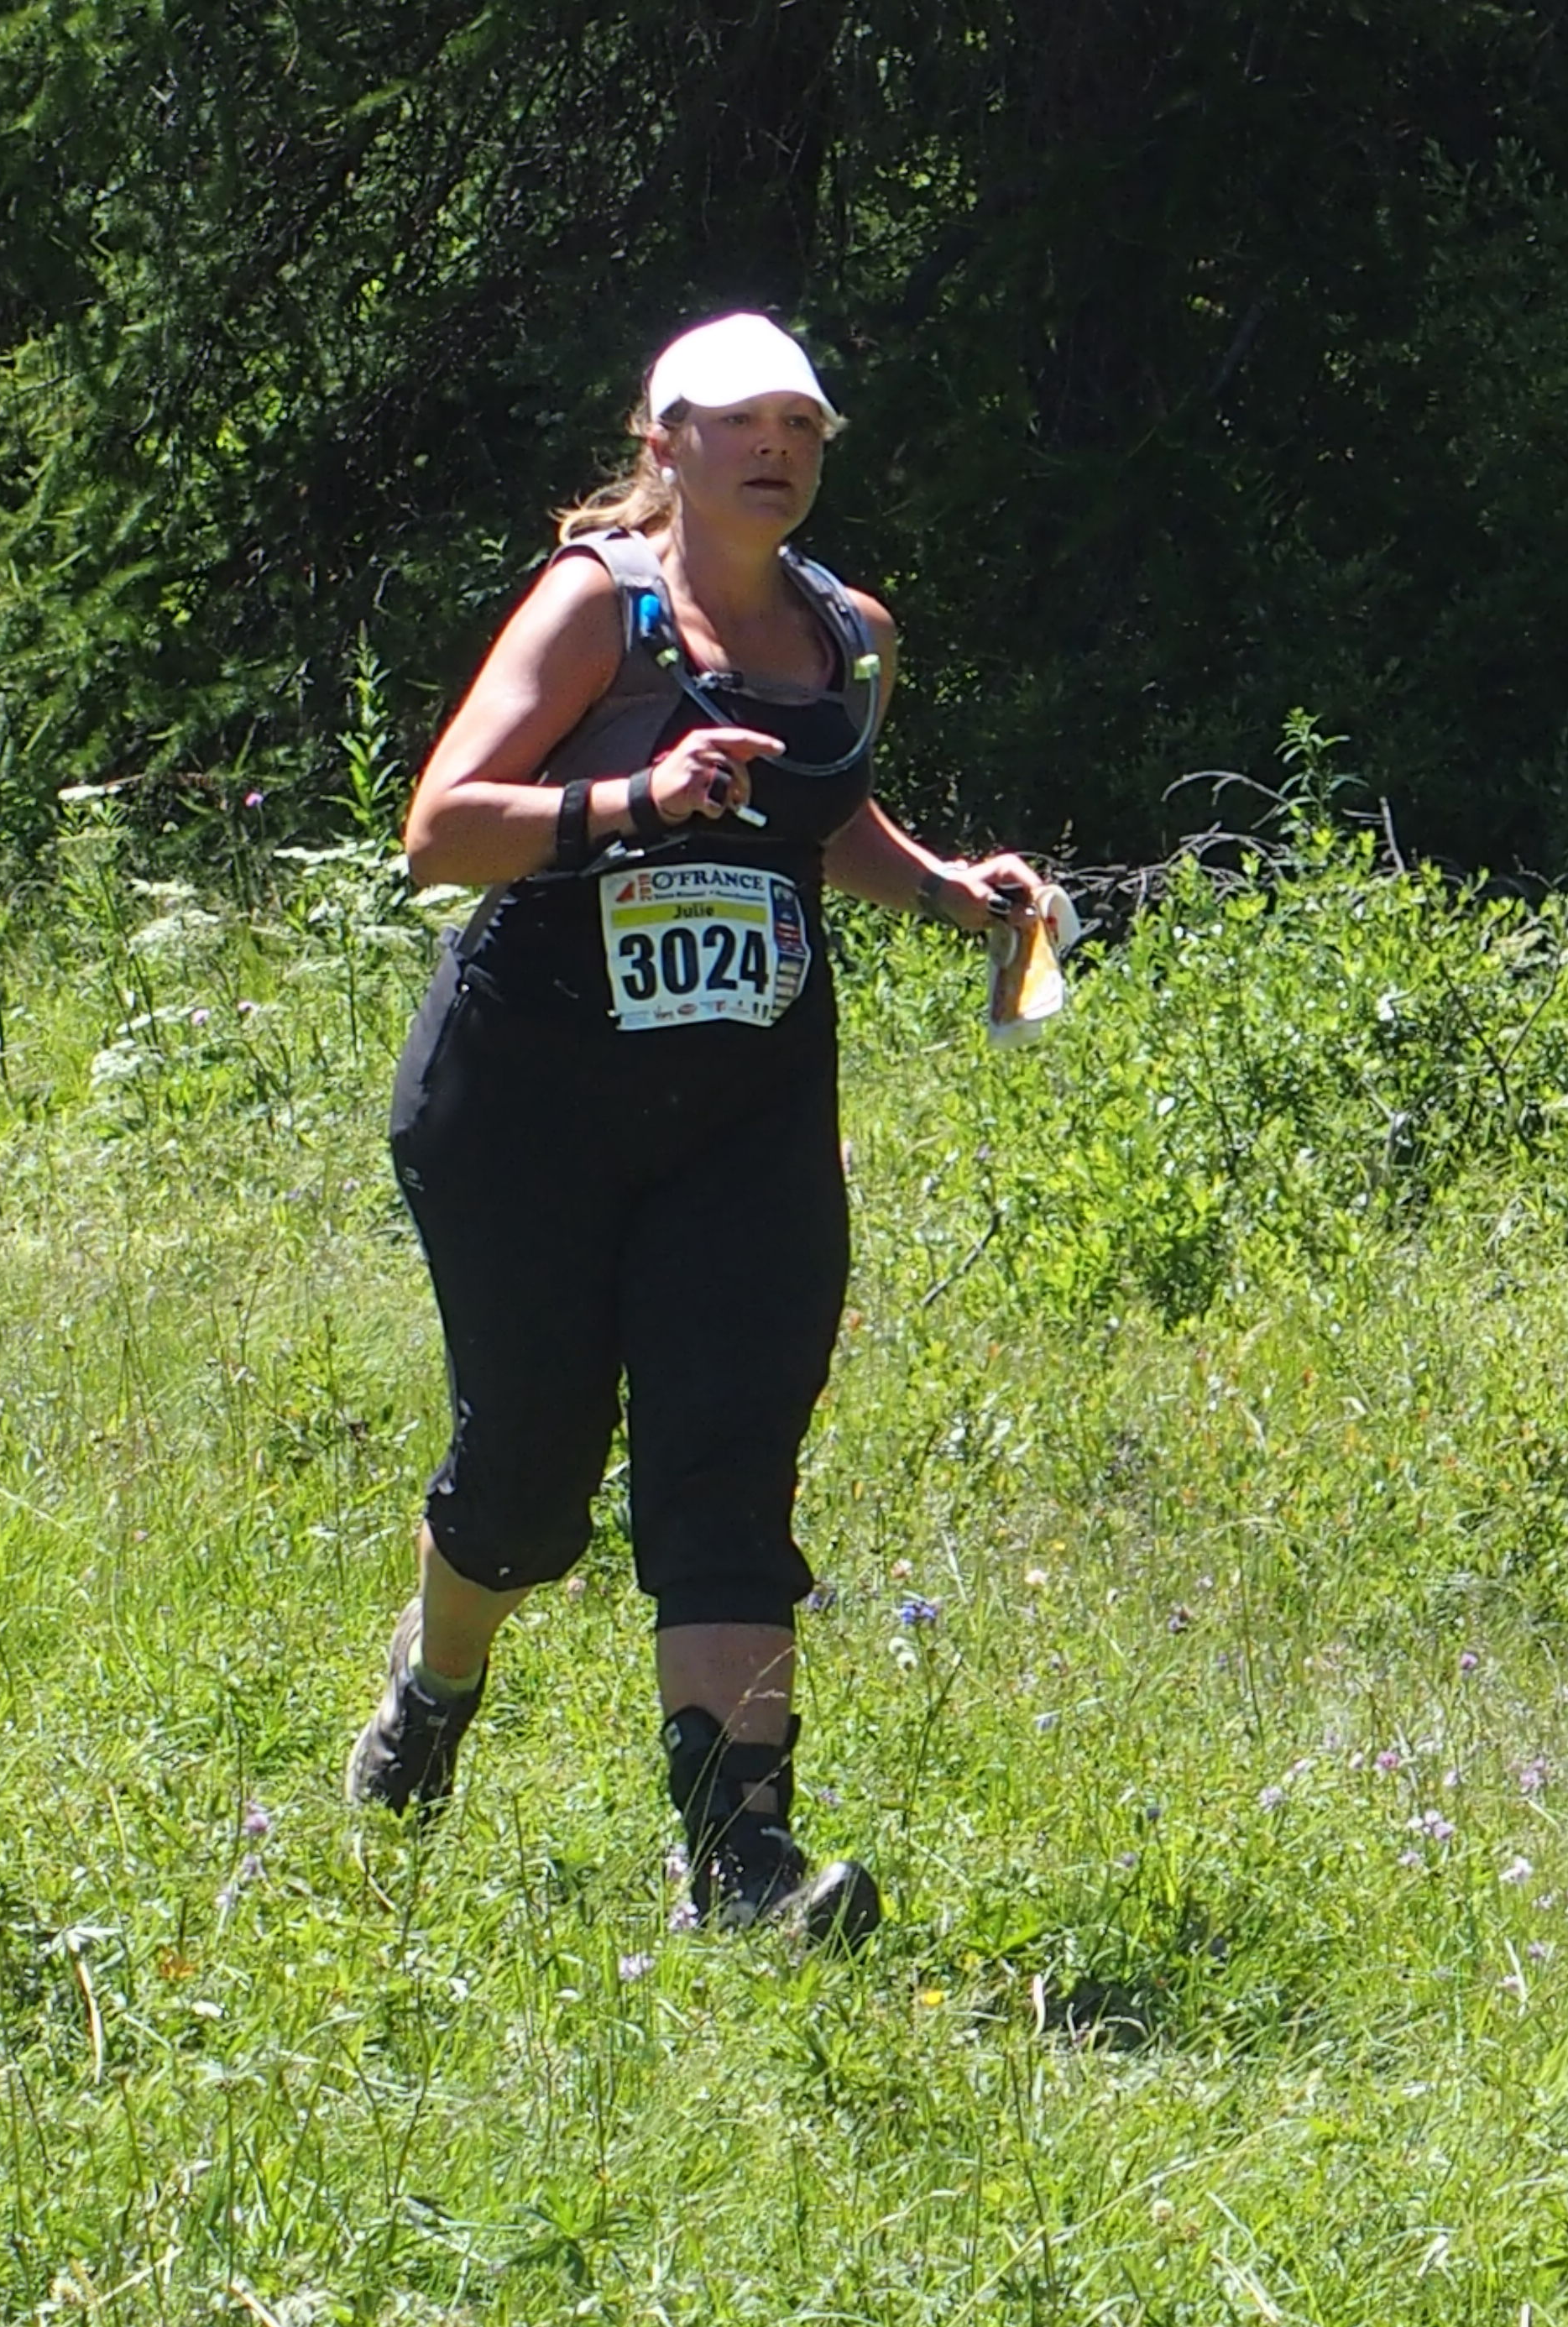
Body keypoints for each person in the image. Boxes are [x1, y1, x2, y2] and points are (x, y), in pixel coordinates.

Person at [353, 311, 1056, 1946]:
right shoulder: (598, 606)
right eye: (742, 423)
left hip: (746, 1108)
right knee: (529, 1481)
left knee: (729, 1461)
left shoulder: (850, 635)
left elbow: (823, 812)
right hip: (527, 1098)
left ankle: (741, 1865)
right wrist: (635, 800)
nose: (778, 450)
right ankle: (433, 1689)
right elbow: (441, 831)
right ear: (663, 441)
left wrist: (947, 891)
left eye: (802, 427)